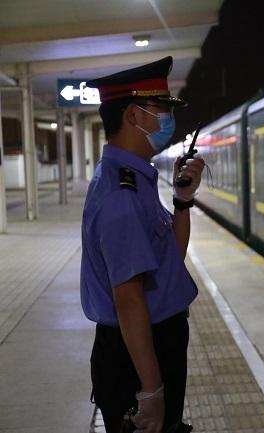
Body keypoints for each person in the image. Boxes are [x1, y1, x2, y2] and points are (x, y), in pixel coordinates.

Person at [80, 56, 205, 433]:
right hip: (137, 354)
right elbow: (129, 299)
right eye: (161, 109)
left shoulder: (135, 180)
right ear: (134, 115)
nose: (169, 118)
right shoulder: (122, 196)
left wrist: (182, 200)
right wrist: (151, 390)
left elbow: (170, 260)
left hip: (150, 343)